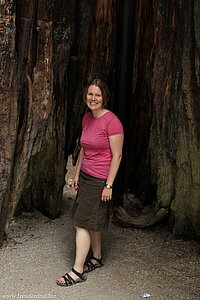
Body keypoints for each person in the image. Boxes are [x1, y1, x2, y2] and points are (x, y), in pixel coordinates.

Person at [56, 78, 124, 287]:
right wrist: (76, 174)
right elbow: (84, 148)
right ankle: (96, 257)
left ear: (104, 98)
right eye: (90, 94)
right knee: (91, 218)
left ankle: (77, 271)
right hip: (86, 175)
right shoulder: (87, 118)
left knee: (81, 222)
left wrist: (109, 185)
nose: (93, 98)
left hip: (100, 179)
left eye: (97, 95)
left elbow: (117, 155)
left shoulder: (112, 121)